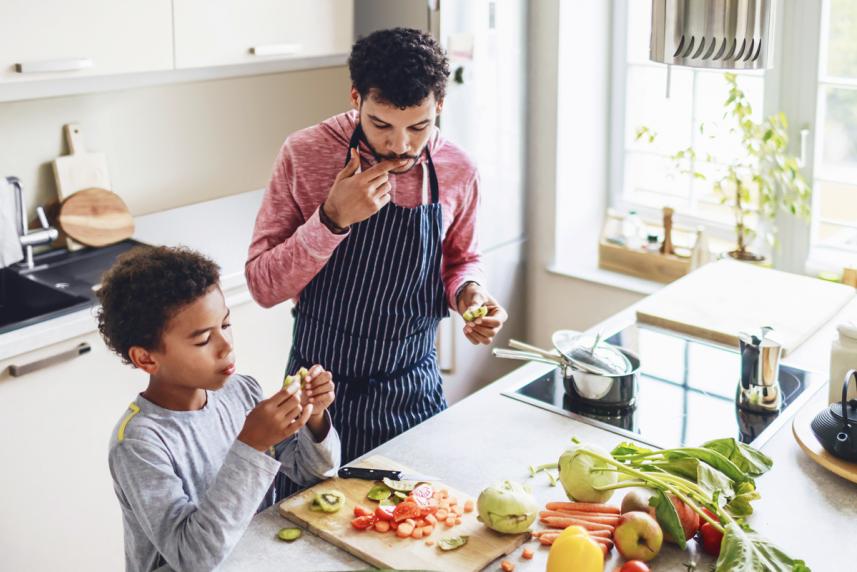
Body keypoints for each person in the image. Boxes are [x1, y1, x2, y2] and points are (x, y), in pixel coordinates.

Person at [245, 28, 508, 495]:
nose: (401, 145)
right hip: (317, 399)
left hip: (413, 392)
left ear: (439, 105)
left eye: (419, 126)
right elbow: (263, 286)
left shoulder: (457, 169)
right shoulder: (305, 154)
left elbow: (462, 259)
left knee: (416, 535)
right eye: (381, 125)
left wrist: (471, 293)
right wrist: (330, 219)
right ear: (355, 99)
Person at [101, 246, 339, 571]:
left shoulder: (241, 392)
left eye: (225, 325)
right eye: (202, 340)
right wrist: (251, 445)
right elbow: (192, 559)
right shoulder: (139, 444)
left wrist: (314, 418)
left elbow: (313, 473)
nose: (227, 345)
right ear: (146, 358)